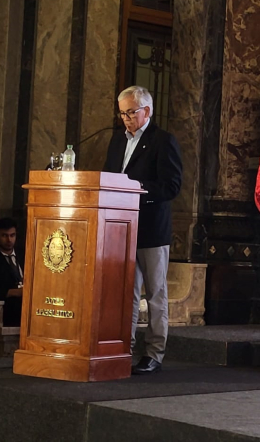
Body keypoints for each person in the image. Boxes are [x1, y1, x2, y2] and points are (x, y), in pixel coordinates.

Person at [103, 85, 182, 374]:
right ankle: (123, 347)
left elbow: (172, 186)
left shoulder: (163, 141)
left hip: (151, 229)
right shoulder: (116, 140)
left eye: (131, 112)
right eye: (122, 113)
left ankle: (154, 353)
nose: (125, 118)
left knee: (156, 293)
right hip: (120, 230)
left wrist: (138, 191)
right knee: (126, 292)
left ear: (146, 111)